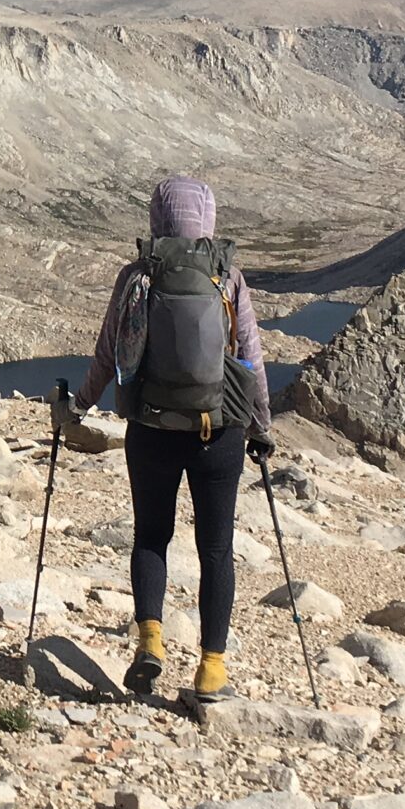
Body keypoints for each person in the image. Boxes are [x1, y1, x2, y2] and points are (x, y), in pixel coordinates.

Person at [59, 174, 271, 704]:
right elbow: (252, 358)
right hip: (219, 431)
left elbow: (109, 352)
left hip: (151, 430)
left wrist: (78, 405)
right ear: (209, 219)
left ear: (158, 218)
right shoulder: (229, 277)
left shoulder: (138, 275)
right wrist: (262, 427)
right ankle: (212, 670)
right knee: (216, 550)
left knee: (152, 537)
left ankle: (150, 641)